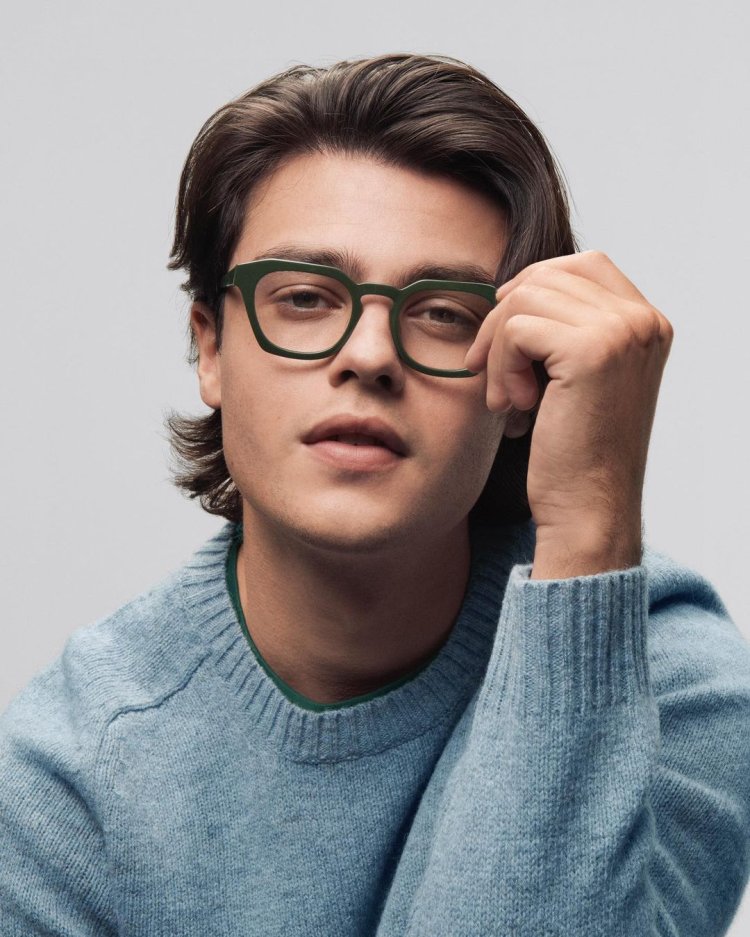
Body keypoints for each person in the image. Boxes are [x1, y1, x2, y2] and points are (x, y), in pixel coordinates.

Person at [1, 52, 749, 937]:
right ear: (210, 348)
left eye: (444, 312)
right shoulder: (67, 776)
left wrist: (589, 527)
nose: (369, 355)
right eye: (304, 298)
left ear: (521, 379)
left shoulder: (670, 677)